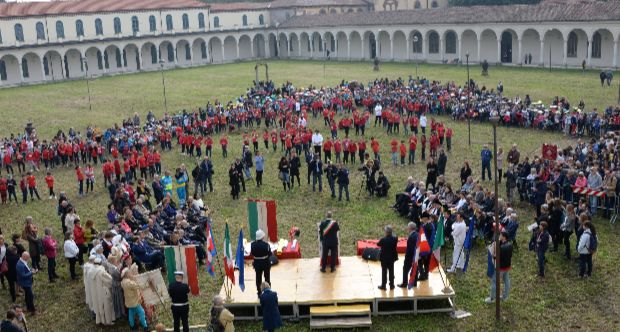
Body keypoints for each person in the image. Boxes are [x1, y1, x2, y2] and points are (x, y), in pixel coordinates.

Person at [485, 231, 513, 303]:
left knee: (494, 282)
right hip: (507, 266)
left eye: (500, 235)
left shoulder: (502, 248)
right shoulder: (510, 245)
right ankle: (505, 296)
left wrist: (493, 254)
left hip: (500, 268)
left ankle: (492, 298)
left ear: (504, 237)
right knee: (506, 281)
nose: (499, 236)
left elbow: (496, 257)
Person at [121, 265, 149, 331]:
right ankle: (145, 326)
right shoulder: (129, 283)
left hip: (129, 302)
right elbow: (138, 286)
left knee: (131, 313)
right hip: (134, 301)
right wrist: (147, 284)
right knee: (142, 312)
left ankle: (132, 326)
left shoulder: (122, 282)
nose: (131, 274)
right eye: (129, 273)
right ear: (127, 274)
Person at [250, 230, 272, 297]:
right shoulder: (266, 245)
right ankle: (268, 291)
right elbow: (270, 254)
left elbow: (252, 253)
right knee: (267, 277)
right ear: (262, 237)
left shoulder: (252, 245)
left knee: (258, 278)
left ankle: (259, 292)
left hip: (257, 263)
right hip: (265, 263)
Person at [377, 225, 398, 290]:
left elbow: (378, 244)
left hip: (384, 258)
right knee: (391, 271)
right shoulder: (395, 239)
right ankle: (392, 285)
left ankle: (383, 285)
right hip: (392, 258)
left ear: (386, 232)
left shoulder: (383, 239)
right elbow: (395, 237)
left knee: (384, 272)